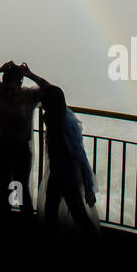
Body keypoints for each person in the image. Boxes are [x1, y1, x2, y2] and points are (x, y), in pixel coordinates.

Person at [0, 61, 44, 212]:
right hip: (12, 147)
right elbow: (50, 90)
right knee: (12, 188)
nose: (9, 89)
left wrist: (2, 69)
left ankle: (11, 216)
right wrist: (30, 75)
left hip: (10, 147)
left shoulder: (9, 92)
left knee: (13, 188)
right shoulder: (24, 94)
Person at [37, 82, 99, 237]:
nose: (42, 105)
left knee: (76, 214)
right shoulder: (61, 117)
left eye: (45, 103)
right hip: (60, 173)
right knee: (59, 210)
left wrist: (89, 187)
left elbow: (80, 156)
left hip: (66, 176)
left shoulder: (64, 124)